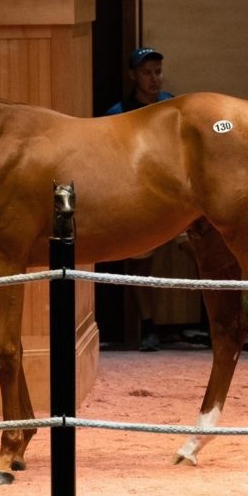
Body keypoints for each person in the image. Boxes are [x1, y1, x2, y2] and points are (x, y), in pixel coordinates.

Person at [103, 47, 178, 351]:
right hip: (138, 198)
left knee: (208, 250)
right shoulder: (117, 114)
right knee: (139, 263)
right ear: (133, 75)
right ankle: (149, 326)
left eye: (157, 71)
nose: (153, 79)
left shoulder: (172, 106)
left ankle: (216, 325)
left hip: (176, 197)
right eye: (146, 73)